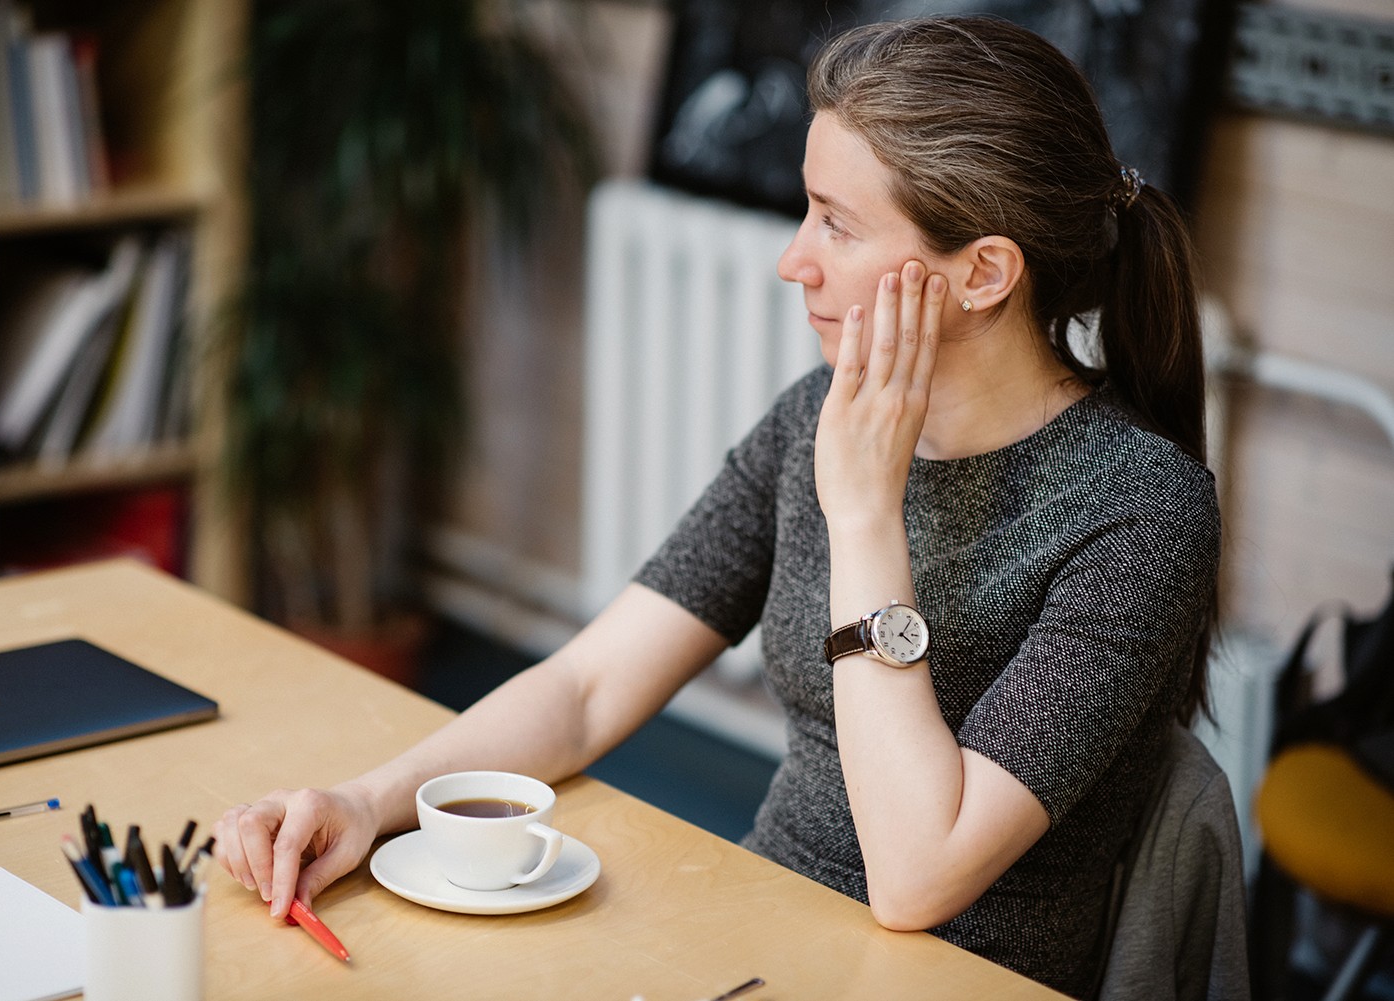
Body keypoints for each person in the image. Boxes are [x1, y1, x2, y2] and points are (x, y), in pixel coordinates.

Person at [213, 15, 1220, 998]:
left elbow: (918, 875)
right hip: (757, 928)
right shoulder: (813, 421)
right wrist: (368, 801)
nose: (794, 260)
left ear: (984, 273)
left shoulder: (1140, 511)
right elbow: (590, 686)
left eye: (838, 221)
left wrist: (866, 518)